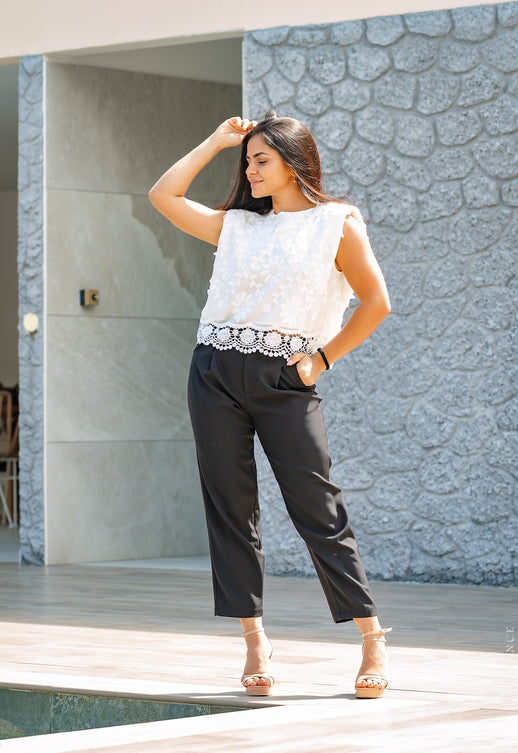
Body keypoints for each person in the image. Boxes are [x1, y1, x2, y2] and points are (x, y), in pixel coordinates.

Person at [149, 112, 392, 699]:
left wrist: (322, 359)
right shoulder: (237, 225)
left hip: (285, 375)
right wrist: (217, 140)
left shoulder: (336, 224)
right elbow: (163, 195)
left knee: (317, 505)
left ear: (294, 161)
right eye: (248, 161)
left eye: (261, 160)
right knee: (230, 508)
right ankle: (254, 640)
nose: (251, 171)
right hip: (214, 370)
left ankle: (371, 638)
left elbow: (375, 302)